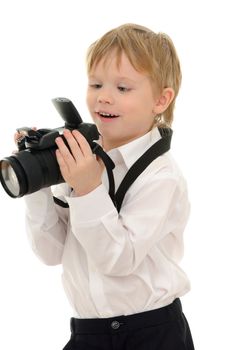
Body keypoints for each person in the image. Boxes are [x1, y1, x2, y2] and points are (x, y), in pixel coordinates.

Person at [16, 23, 195, 349]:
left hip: (152, 332)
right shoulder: (85, 157)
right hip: (88, 333)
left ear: (160, 100)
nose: (104, 97)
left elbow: (118, 260)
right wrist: (39, 181)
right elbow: (51, 251)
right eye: (96, 84)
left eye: (123, 88)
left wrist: (86, 190)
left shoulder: (161, 177)